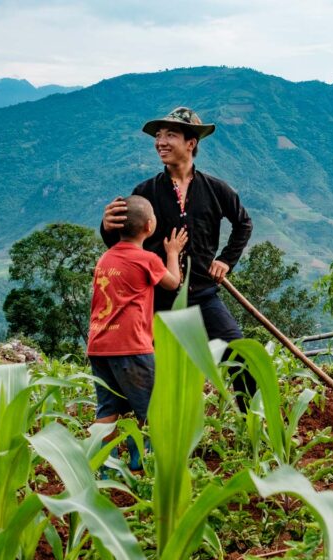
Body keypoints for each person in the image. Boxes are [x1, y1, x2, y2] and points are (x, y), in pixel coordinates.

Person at [100, 107, 255, 405]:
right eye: (158, 136)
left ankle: (250, 424)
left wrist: (225, 260)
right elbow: (123, 243)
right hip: (156, 299)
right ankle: (153, 435)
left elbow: (243, 223)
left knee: (241, 356)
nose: (161, 142)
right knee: (153, 374)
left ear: (191, 143)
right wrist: (107, 227)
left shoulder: (215, 189)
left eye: (170, 134)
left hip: (203, 295)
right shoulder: (146, 192)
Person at [88, 195, 187, 471]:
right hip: (131, 346)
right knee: (152, 409)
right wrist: (173, 252)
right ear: (149, 226)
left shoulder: (105, 258)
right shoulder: (147, 259)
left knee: (107, 409)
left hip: (99, 345)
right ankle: (143, 460)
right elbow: (173, 283)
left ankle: (105, 464)